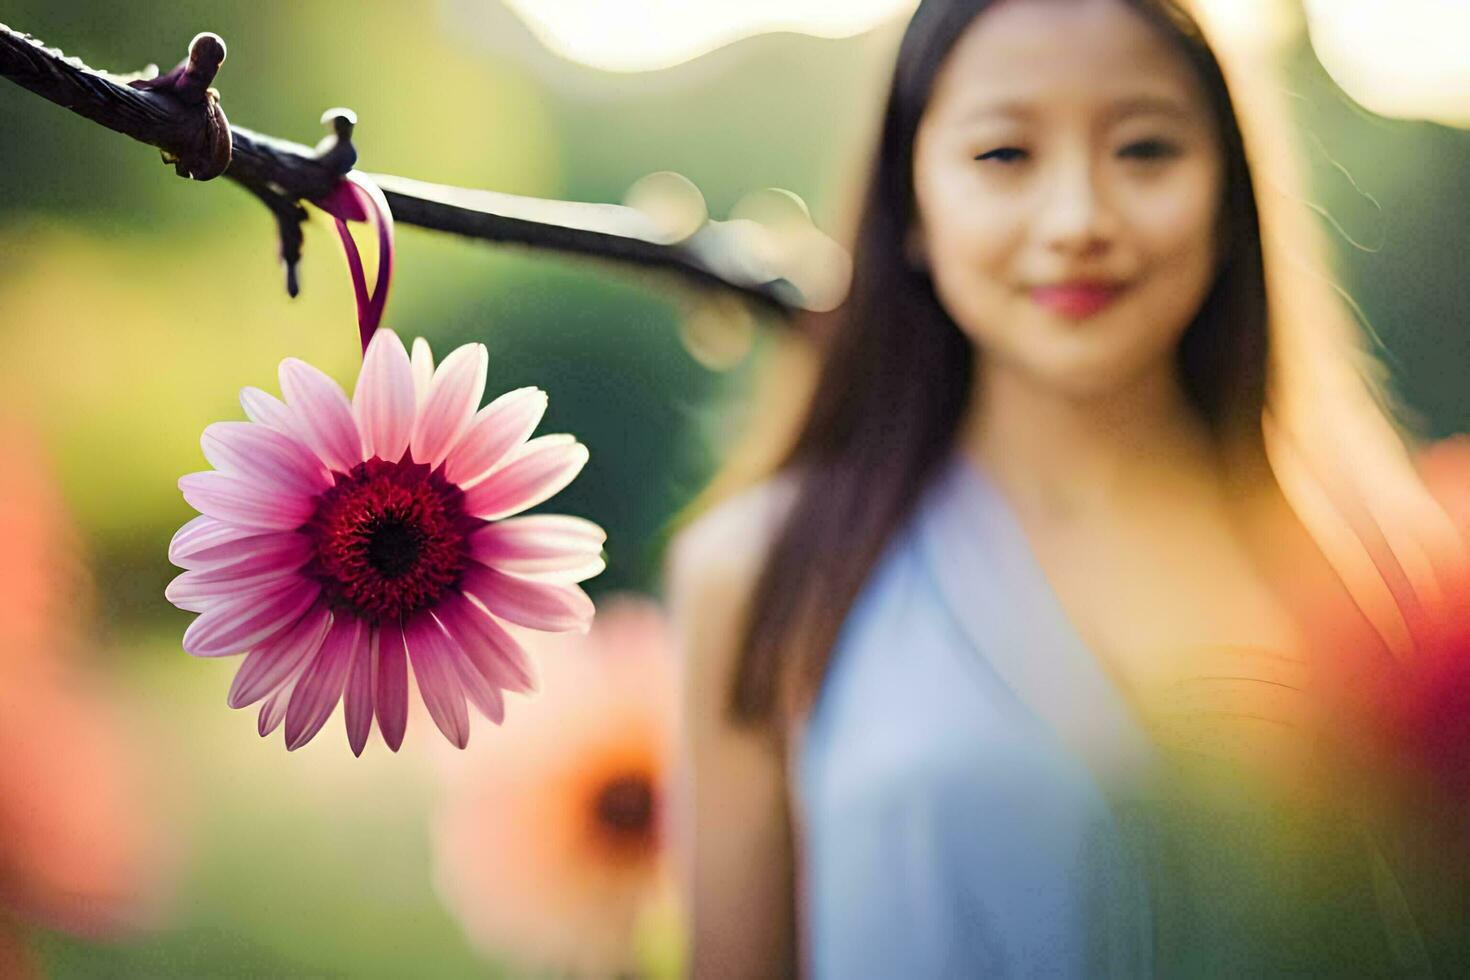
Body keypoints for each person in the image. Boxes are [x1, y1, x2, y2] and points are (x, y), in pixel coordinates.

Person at [667, 0, 1469, 976]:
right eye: (1004, 154)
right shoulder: (761, 573)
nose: (1079, 220)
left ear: (1230, 193)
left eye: (1145, 150)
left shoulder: (1382, 573)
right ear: (909, 205)